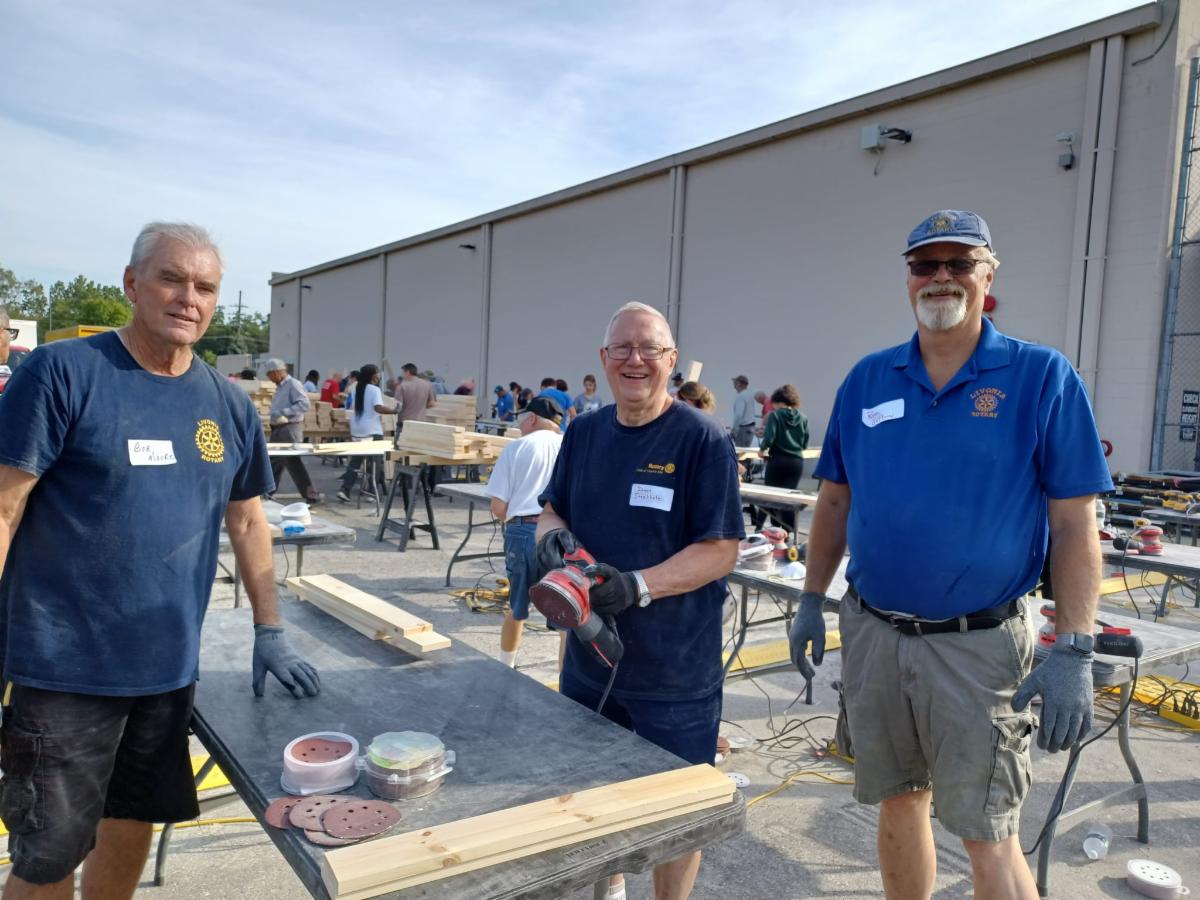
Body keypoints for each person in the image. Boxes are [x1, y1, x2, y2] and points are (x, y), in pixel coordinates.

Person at [790, 210, 1112, 900]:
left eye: (959, 263)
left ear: (988, 276)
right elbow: (835, 503)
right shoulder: (869, 379)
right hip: (875, 634)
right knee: (898, 798)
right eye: (924, 264)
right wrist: (812, 600)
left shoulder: (1040, 376)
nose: (941, 277)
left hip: (978, 646)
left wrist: (1075, 648)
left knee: (986, 829)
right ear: (908, 278)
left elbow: (1074, 523)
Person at [0, 222, 320, 899]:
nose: (188, 298)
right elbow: (5, 507)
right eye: (171, 279)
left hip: (167, 670)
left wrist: (270, 628)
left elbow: (247, 520)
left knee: (131, 822)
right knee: (49, 855)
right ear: (132, 284)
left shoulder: (226, 403)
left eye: (205, 287)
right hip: (65, 669)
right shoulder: (63, 372)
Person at [536, 301, 743, 900]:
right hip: (588, 662)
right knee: (593, 793)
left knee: (677, 817)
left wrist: (637, 586)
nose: (635, 359)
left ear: (671, 360)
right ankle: (611, 886)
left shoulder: (702, 439)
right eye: (622, 348)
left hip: (675, 673)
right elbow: (551, 510)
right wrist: (555, 543)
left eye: (650, 348)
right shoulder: (583, 432)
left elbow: (721, 550)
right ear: (604, 359)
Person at [486, 396, 564, 668]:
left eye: (521, 420)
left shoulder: (517, 447)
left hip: (523, 531)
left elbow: (498, 507)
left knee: (517, 609)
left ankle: (505, 668)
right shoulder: (572, 447)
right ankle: (566, 683)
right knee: (565, 617)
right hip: (561, 535)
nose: (519, 426)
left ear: (532, 418)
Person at [754, 384, 809, 532]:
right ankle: (790, 532)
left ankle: (758, 528)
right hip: (796, 462)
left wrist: (762, 450)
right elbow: (804, 443)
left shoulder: (775, 415)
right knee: (788, 499)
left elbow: (769, 437)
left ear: (778, 401)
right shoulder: (803, 417)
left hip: (777, 460)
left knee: (769, 496)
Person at [266, 358, 321, 503]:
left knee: (292, 462)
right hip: (279, 428)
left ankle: (311, 495)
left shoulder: (293, 384)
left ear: (277, 372)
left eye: (269, 375)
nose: (269, 379)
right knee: (274, 461)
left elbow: (304, 404)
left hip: (289, 428)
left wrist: (283, 412)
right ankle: (267, 492)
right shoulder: (280, 387)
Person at [337, 363, 393, 502]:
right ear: (373, 375)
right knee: (374, 463)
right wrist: (394, 410)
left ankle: (345, 490)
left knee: (355, 462)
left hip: (357, 429)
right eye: (378, 373)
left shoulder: (357, 388)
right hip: (372, 430)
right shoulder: (374, 389)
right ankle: (371, 491)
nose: (379, 376)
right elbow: (378, 408)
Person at [394, 362, 436, 433]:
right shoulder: (427, 384)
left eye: (402, 372)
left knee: (402, 440)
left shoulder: (402, 386)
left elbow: (397, 406)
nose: (402, 375)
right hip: (421, 422)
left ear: (407, 372)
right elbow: (432, 403)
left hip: (405, 423)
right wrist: (421, 406)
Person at [730, 375, 755, 447]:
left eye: (735, 384)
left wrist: (734, 430)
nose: (734, 387)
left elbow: (738, 415)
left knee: (740, 451)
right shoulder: (749, 396)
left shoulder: (741, 396)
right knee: (746, 451)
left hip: (743, 429)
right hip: (751, 428)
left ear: (738, 384)